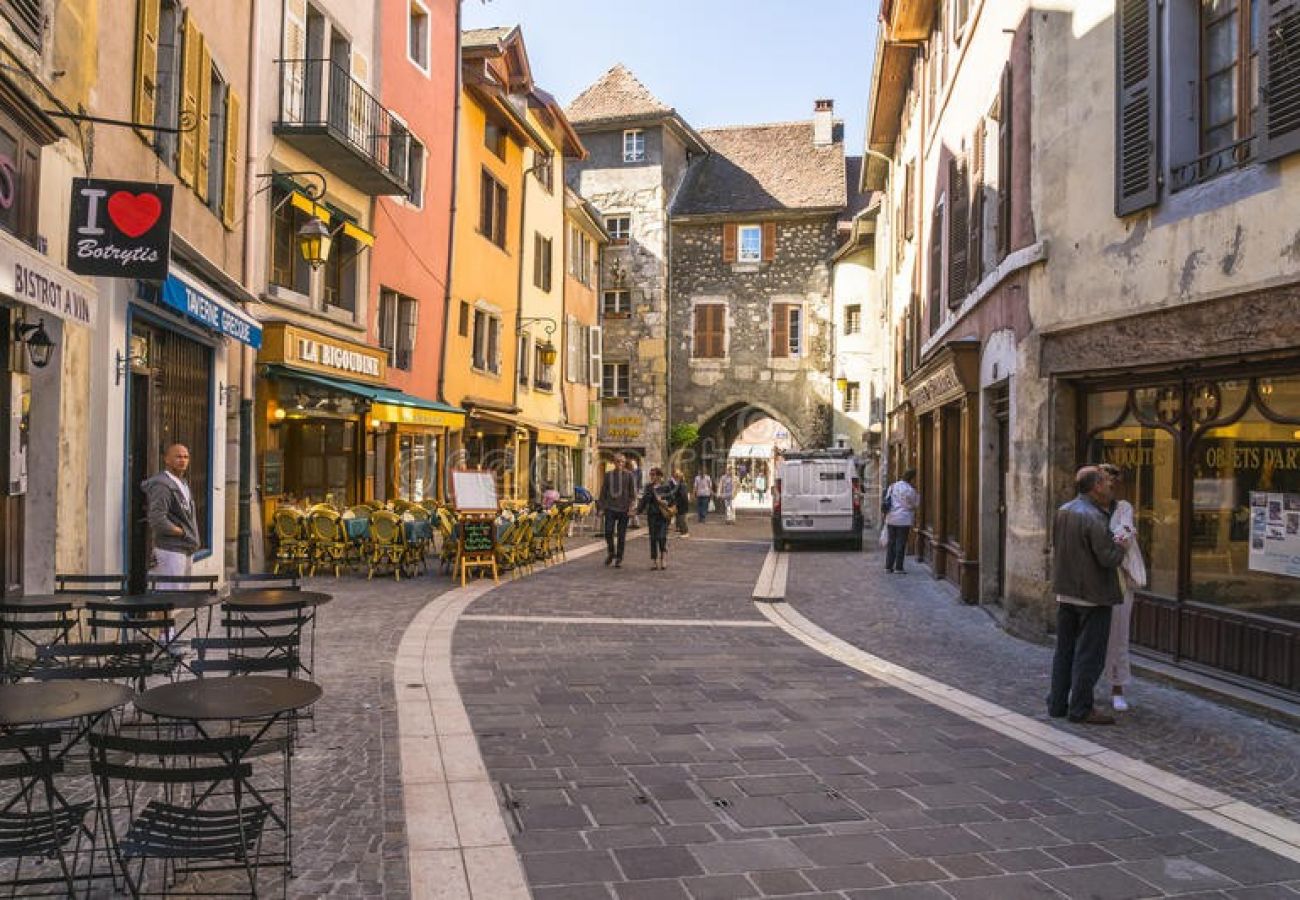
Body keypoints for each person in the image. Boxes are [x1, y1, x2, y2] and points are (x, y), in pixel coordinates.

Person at [1048, 466, 1130, 726]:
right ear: (1095, 486)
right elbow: (1108, 558)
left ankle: (1058, 702)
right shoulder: (1094, 516)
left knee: (1064, 651)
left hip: (1066, 591)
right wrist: (1122, 545)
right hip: (1092, 595)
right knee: (1089, 655)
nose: (1110, 486)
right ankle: (1081, 708)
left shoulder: (1064, 510)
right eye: (1106, 482)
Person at [1099, 463, 1147, 712]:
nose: (1108, 485)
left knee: (1118, 634)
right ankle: (1082, 683)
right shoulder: (1086, 508)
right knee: (1088, 635)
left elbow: (1124, 536)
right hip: (1093, 577)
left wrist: (1106, 541)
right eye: (1105, 480)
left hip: (1118, 576)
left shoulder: (1123, 507)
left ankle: (1117, 687)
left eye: (1111, 481)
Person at [142, 443, 201, 589]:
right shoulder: (162, 485)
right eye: (178, 456)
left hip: (186, 549)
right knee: (166, 599)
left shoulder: (183, 483)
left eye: (186, 457)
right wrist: (183, 532)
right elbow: (157, 519)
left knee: (180, 598)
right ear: (167, 459)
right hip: (170, 551)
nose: (183, 460)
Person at [598, 454, 636, 567]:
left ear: (624, 463)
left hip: (624, 509)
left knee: (621, 535)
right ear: (614, 462)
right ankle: (611, 552)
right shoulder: (608, 475)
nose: (620, 464)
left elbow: (632, 494)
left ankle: (619, 557)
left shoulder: (629, 475)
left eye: (622, 462)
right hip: (610, 508)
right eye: (618, 461)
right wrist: (601, 508)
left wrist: (631, 508)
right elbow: (603, 492)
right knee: (608, 532)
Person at [636, 467, 677, 570]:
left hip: (663, 516)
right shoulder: (648, 487)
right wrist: (637, 511)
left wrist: (664, 502)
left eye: (653, 474)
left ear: (659, 476)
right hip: (652, 515)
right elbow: (644, 501)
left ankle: (663, 556)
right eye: (651, 474)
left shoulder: (666, 487)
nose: (652, 476)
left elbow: (672, 501)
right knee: (653, 538)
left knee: (662, 537)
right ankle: (654, 561)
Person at [882, 468, 919, 574]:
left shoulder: (893, 486)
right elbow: (914, 504)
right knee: (901, 543)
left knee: (892, 543)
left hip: (891, 518)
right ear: (911, 478)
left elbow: (887, 500)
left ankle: (888, 566)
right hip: (903, 519)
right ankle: (898, 567)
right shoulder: (910, 490)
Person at [671, 469, 691, 537]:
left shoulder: (682, 485)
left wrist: (677, 502)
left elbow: (683, 496)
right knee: (680, 519)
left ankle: (685, 532)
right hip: (680, 504)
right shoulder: (680, 484)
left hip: (682, 504)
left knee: (682, 519)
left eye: (676, 476)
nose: (675, 478)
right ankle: (683, 532)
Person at [627, 458, 643, 529]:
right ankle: (633, 522)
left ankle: (635, 522)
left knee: (634, 506)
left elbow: (639, 482)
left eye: (633, 464)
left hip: (635, 490)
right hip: (629, 491)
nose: (632, 466)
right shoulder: (629, 472)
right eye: (631, 464)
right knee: (631, 506)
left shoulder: (638, 471)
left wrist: (639, 491)